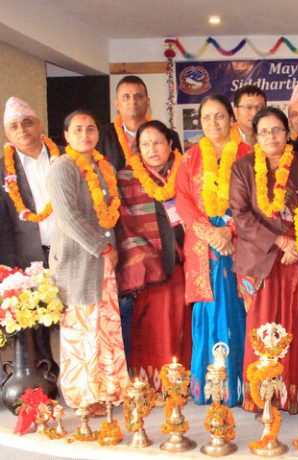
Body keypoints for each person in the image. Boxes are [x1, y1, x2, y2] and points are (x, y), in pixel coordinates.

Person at [229, 107, 298, 414]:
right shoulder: (243, 168)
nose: (271, 137)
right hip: (261, 260)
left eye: (277, 130)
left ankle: (297, 394)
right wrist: (280, 241)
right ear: (255, 136)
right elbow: (241, 215)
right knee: (264, 328)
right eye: (264, 132)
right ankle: (264, 397)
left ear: (288, 132)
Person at [46, 109, 130, 409]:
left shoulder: (101, 165)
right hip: (77, 264)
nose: (85, 134)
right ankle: (83, 397)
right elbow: (69, 218)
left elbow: (107, 215)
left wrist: (109, 249)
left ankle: (109, 390)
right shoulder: (63, 167)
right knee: (80, 330)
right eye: (78, 129)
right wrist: (102, 248)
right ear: (66, 136)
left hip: (102, 262)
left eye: (90, 128)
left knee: (104, 328)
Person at [97, 75, 182, 358]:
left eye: (138, 96)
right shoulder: (103, 137)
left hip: (171, 240)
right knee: (130, 312)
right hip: (127, 237)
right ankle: (134, 368)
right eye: (126, 97)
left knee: (172, 312)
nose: (133, 102)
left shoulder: (171, 141)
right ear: (117, 103)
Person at [176, 94, 251, 406]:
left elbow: (254, 200)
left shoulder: (248, 154)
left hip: (240, 242)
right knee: (208, 310)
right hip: (202, 246)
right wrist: (212, 234)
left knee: (239, 307)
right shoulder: (189, 159)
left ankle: (238, 386)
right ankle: (207, 387)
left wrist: (229, 230)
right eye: (206, 117)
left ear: (231, 119)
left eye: (219, 116)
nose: (213, 123)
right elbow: (183, 201)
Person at [115, 120, 191, 391]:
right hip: (148, 266)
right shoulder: (126, 177)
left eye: (157, 142)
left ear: (170, 144)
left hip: (185, 259)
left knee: (183, 320)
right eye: (145, 144)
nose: (152, 149)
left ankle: (181, 379)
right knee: (153, 324)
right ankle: (151, 382)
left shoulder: (185, 170)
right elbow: (125, 222)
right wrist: (148, 257)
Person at [0, 97, 60, 377]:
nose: (22, 129)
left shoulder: (63, 158)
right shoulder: (4, 169)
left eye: (27, 122)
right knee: (35, 326)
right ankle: (43, 379)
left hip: (66, 251)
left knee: (76, 318)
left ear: (39, 125)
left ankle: (79, 380)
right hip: (27, 257)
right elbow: (3, 223)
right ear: (7, 134)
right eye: (14, 126)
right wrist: (8, 267)